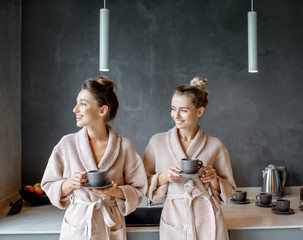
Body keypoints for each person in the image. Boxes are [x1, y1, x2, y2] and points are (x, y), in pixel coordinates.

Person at [41, 76, 147, 240]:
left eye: (82, 104)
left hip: (109, 225)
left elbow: (139, 190)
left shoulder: (124, 146)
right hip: (78, 225)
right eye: (77, 103)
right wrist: (70, 183)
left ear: (102, 110)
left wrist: (115, 191)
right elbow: (48, 185)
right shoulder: (67, 144)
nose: (75, 109)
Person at [143, 77, 237, 240]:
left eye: (183, 110)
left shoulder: (215, 145)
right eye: (173, 108)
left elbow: (229, 187)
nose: (176, 115)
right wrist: (163, 177)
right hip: (174, 216)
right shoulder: (157, 142)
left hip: (207, 218)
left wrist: (213, 179)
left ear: (200, 111)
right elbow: (141, 182)